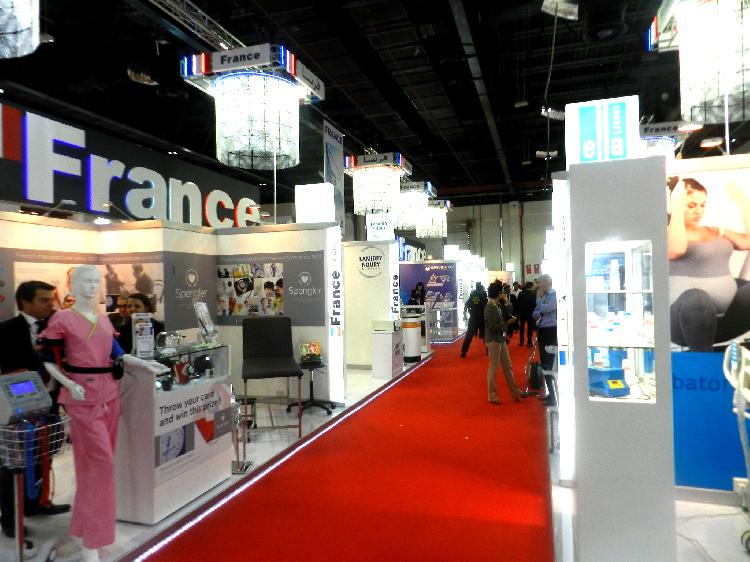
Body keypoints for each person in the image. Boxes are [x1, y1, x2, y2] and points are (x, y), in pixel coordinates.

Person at [39, 266, 166, 561]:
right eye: (86, 280)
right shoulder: (63, 319)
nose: (92, 285)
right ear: (72, 284)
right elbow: (46, 359)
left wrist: (145, 365)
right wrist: (68, 383)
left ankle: (83, 528)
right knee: (101, 465)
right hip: (82, 397)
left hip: (109, 394)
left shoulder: (103, 319)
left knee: (95, 468)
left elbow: (117, 352)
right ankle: (92, 539)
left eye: (96, 281)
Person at [0, 281, 70, 556]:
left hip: (50, 400)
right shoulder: (7, 330)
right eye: (43, 300)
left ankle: (37, 503)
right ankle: (11, 518)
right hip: (17, 405)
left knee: (44, 453)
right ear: (24, 303)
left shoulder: (57, 327)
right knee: (13, 462)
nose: (50, 305)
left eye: (50, 299)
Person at [668, 177, 750, 351]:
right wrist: (675, 205)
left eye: (702, 205)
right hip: (683, 322)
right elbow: (676, 250)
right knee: (697, 301)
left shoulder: (714, 230)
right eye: (691, 205)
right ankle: (702, 358)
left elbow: (747, 242)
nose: (699, 211)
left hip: (726, 320)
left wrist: (743, 202)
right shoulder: (669, 235)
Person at [484, 281, 528, 404]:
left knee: (507, 366)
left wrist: (505, 300)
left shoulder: (496, 305)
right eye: (502, 292)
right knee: (493, 367)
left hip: (500, 339)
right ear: (499, 293)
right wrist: (507, 323)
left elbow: (509, 308)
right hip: (493, 339)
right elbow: (493, 327)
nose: (503, 294)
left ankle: (515, 391)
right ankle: (492, 396)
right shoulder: (490, 307)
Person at [533, 274, 558, 405]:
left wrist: (539, 301)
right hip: (542, 330)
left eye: (540, 283)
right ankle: (551, 393)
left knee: (549, 363)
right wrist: (541, 307)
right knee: (544, 363)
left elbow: (546, 309)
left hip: (550, 331)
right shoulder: (543, 296)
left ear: (545, 283)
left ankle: (554, 396)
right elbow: (535, 313)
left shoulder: (553, 295)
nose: (538, 286)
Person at [460, 282, 487, 357]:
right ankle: (489, 350)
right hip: (482, 318)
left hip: (473, 318)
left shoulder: (473, 294)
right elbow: (487, 306)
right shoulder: (484, 294)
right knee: (485, 336)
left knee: (469, 336)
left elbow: (466, 305)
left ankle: (464, 351)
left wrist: (464, 315)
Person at [515, 281, 537, 347]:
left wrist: (518, 312)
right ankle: (529, 342)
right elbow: (535, 304)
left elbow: (517, 303)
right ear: (531, 286)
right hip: (530, 313)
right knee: (530, 328)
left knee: (522, 327)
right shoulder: (533, 294)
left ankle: (521, 342)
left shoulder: (521, 293)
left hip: (522, 313)